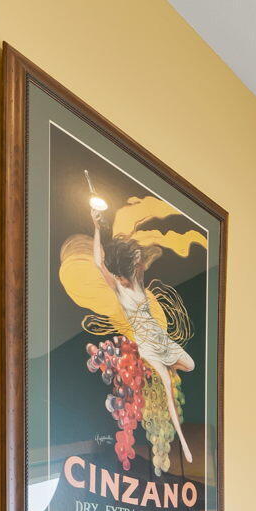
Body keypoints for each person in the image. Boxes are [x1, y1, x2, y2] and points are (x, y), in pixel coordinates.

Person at [89, 196, 194, 470]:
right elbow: (98, 262)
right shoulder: (119, 287)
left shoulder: (137, 280)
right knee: (169, 390)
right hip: (147, 343)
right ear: (125, 265)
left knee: (190, 365)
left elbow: (134, 263)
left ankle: (163, 367)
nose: (139, 263)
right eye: (135, 260)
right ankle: (182, 443)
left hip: (160, 337)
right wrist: (96, 227)